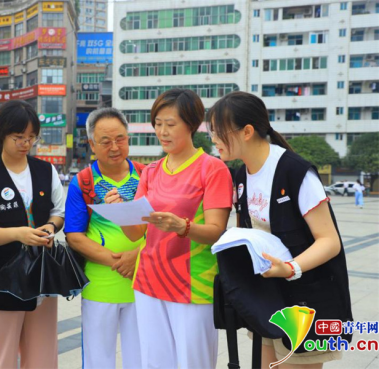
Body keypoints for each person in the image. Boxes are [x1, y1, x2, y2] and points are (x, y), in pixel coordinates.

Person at [208, 91, 352, 368]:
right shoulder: (241, 176)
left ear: (247, 131)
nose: (213, 139)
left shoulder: (295, 172)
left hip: (307, 303)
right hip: (269, 300)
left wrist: (291, 268)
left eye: (217, 132)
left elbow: (329, 241)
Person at [108, 89, 233, 368]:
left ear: (191, 124)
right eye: (158, 123)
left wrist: (183, 227)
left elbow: (216, 231)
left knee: (193, 363)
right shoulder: (151, 171)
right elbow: (137, 233)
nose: (162, 131)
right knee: (155, 362)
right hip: (148, 281)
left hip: (193, 284)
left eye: (171, 124)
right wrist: (120, 212)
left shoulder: (211, 169)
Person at [0, 100, 65, 369]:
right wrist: (19, 234)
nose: (26, 143)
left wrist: (51, 227)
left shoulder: (45, 170)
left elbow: (59, 211)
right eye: (18, 137)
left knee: (43, 358)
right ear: (2, 136)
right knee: (0, 359)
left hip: (42, 280)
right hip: (2, 282)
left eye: (31, 137)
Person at [65, 108, 144, 369]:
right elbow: (74, 236)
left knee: (142, 359)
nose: (114, 147)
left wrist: (137, 258)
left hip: (144, 286)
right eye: (105, 141)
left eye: (120, 139)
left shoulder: (147, 176)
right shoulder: (83, 182)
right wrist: (119, 261)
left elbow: (160, 229)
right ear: (92, 145)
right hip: (99, 286)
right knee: (99, 360)